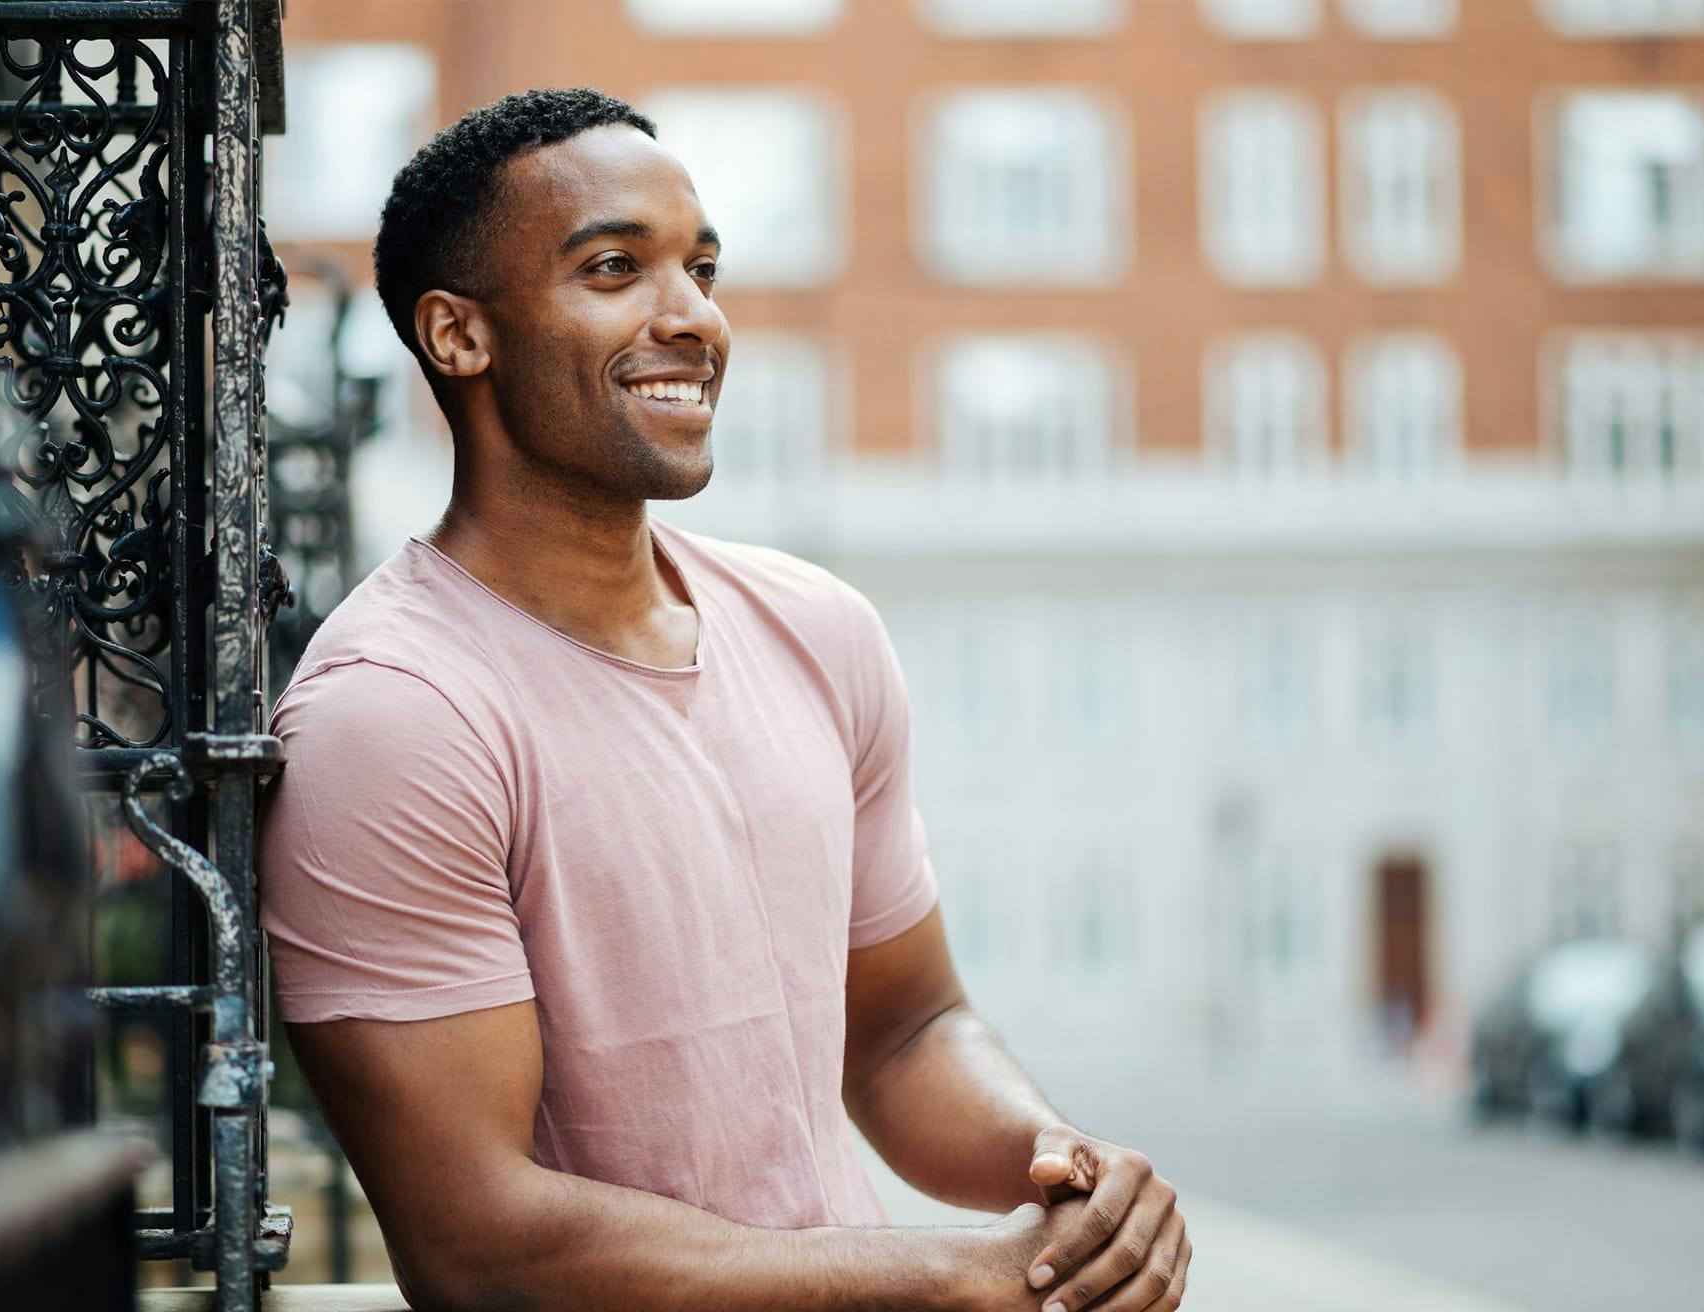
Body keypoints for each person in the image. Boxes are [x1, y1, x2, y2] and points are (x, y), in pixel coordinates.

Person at [257, 87, 1189, 1312]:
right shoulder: (393, 715)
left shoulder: (818, 631)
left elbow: (903, 1030)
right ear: (459, 335)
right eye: (614, 268)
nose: (692, 317)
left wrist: (1065, 1177)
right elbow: (477, 1243)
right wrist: (950, 1277)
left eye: (701, 268)